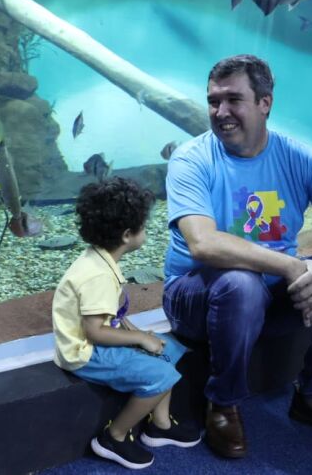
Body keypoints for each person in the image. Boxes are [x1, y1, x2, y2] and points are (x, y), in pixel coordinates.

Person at [162, 54, 312, 459]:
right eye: (214, 101)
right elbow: (204, 245)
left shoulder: (298, 157)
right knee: (239, 282)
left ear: (265, 103)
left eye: (234, 100)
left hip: (268, 295)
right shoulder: (191, 159)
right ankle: (224, 401)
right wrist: (292, 265)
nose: (220, 112)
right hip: (196, 295)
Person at [52, 177, 200, 470]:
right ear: (127, 235)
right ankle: (114, 436)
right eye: (143, 227)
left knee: (168, 350)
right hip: (84, 353)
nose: (145, 232)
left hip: (99, 340)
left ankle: (159, 425)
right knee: (161, 374)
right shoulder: (97, 276)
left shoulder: (101, 260)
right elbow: (94, 331)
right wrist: (140, 340)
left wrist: (138, 333)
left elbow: (111, 315)